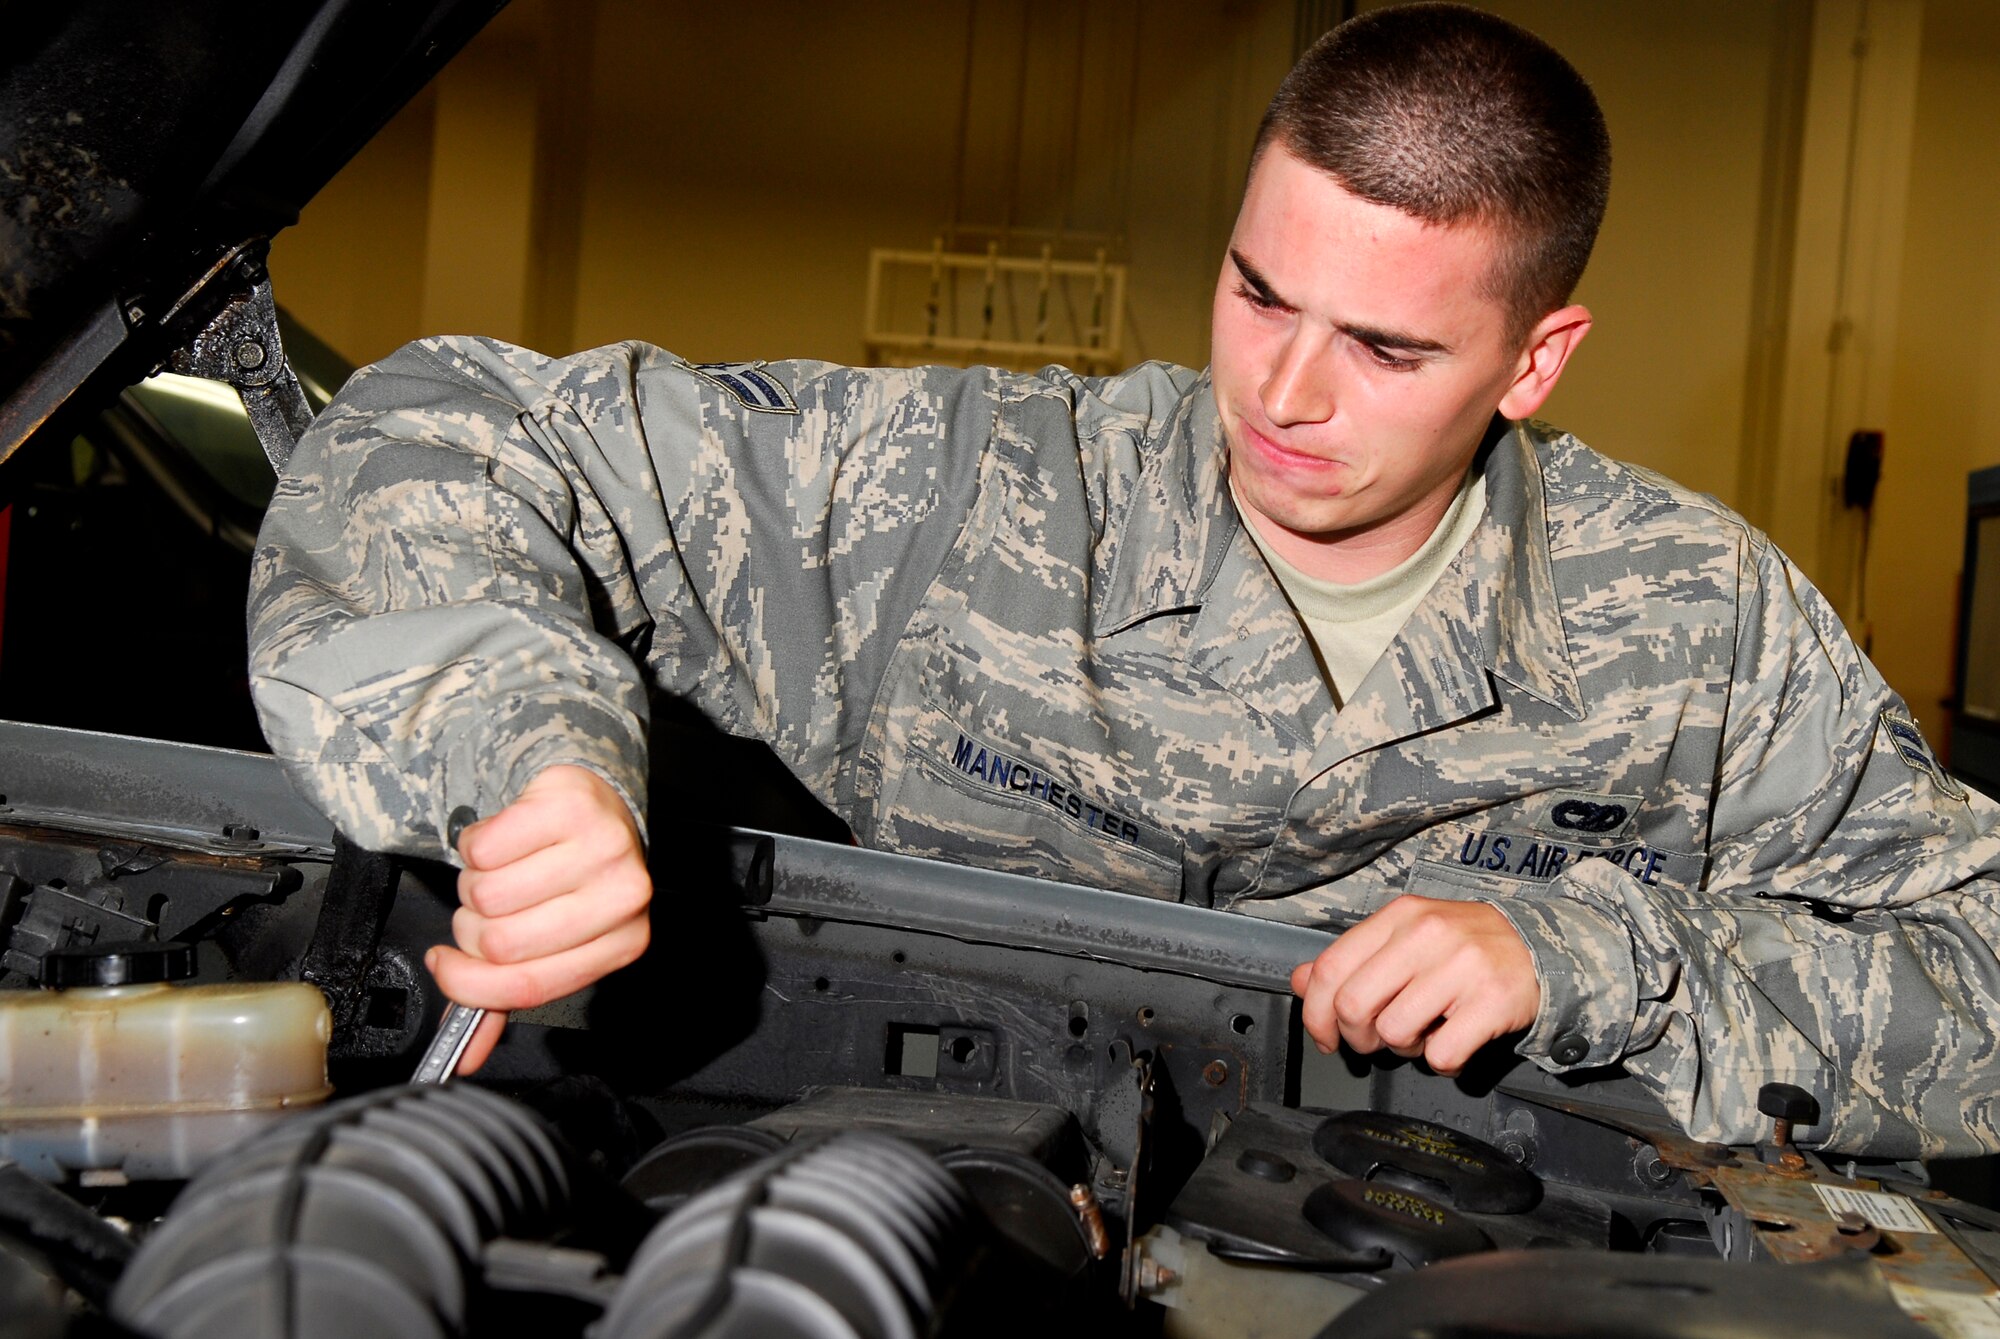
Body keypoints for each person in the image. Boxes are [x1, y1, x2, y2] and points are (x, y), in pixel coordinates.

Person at [247, 3, 2000, 1157]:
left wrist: (1596, 950)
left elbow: (1982, 977)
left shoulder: (1697, 630)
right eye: (1255, 294)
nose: (1286, 397)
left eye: (1387, 348)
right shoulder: (963, 497)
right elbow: (453, 422)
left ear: (1535, 363)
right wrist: (520, 737)